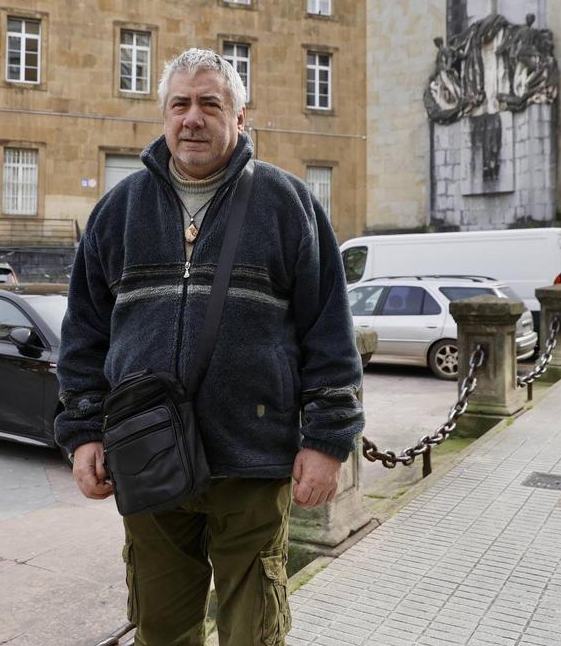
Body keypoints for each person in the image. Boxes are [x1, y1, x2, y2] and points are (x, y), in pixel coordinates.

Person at [54, 48, 364, 646]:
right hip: (148, 459)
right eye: (180, 104)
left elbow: (328, 333)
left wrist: (327, 441)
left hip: (252, 462)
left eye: (209, 104)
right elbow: (84, 336)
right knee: (162, 631)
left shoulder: (287, 204)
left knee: (253, 634)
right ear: (165, 116)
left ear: (240, 120)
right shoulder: (117, 210)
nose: (192, 118)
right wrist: (84, 431)